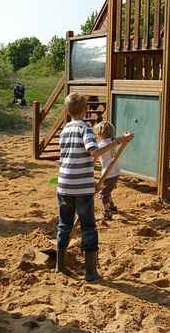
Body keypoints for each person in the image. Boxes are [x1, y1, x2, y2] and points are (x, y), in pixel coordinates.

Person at [55, 93, 133, 281]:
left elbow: (67, 160)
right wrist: (118, 141)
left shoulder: (64, 130)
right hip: (81, 188)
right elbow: (94, 152)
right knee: (88, 226)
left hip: (64, 185)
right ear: (84, 110)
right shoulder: (86, 129)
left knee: (64, 224)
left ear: (67, 110)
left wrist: (89, 182)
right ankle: (90, 272)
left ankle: (60, 265)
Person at [94, 121, 121, 220]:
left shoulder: (101, 145)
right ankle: (112, 207)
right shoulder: (113, 142)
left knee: (103, 194)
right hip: (115, 172)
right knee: (107, 191)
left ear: (100, 134)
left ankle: (107, 211)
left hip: (107, 173)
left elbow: (95, 154)